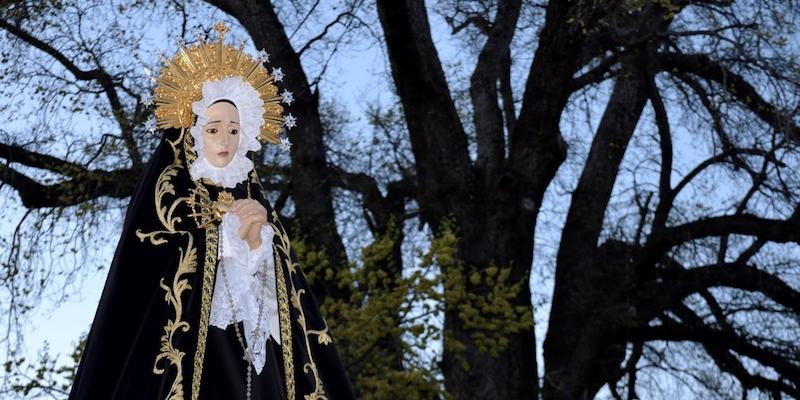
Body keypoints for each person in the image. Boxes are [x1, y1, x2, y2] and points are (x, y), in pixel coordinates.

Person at [68, 22, 355, 400]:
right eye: (214, 129)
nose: (225, 140)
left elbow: (288, 300)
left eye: (234, 131)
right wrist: (221, 238)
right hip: (193, 352)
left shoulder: (258, 201)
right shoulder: (167, 200)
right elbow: (149, 271)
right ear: (194, 132)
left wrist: (256, 244)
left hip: (257, 354)